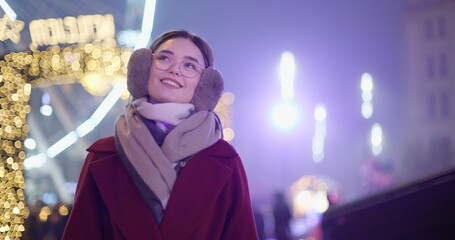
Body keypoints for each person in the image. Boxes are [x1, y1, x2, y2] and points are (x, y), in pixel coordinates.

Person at [62, 30, 259, 239]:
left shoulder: (225, 160)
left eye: (189, 65)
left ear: (204, 85)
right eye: (164, 58)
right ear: (143, 68)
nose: (174, 70)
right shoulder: (103, 155)